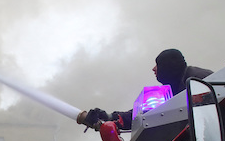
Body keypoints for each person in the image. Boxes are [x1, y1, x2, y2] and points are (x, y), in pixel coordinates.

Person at [78, 48, 212, 131]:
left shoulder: (198, 80)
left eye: (157, 65)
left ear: (168, 66)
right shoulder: (172, 92)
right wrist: (109, 117)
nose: (153, 69)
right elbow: (144, 115)